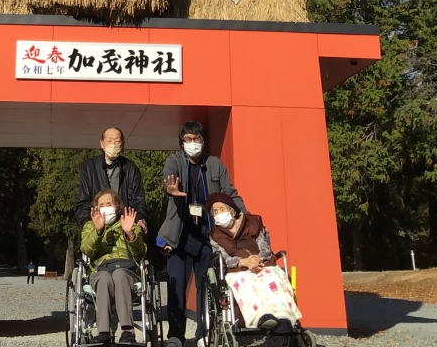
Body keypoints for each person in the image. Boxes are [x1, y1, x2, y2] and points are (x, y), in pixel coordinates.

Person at [157, 121, 245, 347]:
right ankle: (175, 335)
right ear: (181, 142)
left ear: (203, 142)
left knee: (206, 286)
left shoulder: (215, 164)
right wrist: (171, 189)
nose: (192, 143)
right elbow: (168, 178)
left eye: (196, 139)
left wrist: (244, 215)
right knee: (176, 286)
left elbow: (230, 193)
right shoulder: (174, 161)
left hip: (208, 236)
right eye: (188, 139)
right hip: (180, 236)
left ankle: (203, 333)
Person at [207, 193, 302, 330]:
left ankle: (284, 317)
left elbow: (264, 248)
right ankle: (262, 316)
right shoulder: (215, 235)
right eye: (215, 211)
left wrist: (256, 261)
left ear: (232, 211)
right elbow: (221, 257)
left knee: (272, 277)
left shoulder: (252, 224)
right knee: (246, 282)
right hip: (237, 269)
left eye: (222, 209)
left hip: (262, 264)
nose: (218, 214)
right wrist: (242, 262)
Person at [81, 189, 146, 345]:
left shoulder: (129, 222)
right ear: (96, 208)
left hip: (126, 271)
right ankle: (103, 332)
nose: (105, 207)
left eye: (109, 204)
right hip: (100, 270)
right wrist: (98, 231)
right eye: (101, 205)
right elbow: (86, 249)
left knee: (119, 274)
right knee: (104, 278)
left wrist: (130, 233)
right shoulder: (90, 226)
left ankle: (127, 330)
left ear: (117, 207)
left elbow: (141, 252)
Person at [75, 127, 149, 233]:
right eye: (109, 141)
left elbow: (138, 201)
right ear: (102, 144)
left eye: (117, 141)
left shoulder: (131, 168)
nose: (113, 144)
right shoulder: (90, 167)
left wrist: (141, 220)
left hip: (124, 228)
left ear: (122, 144)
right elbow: (83, 201)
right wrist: (89, 224)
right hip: (97, 228)